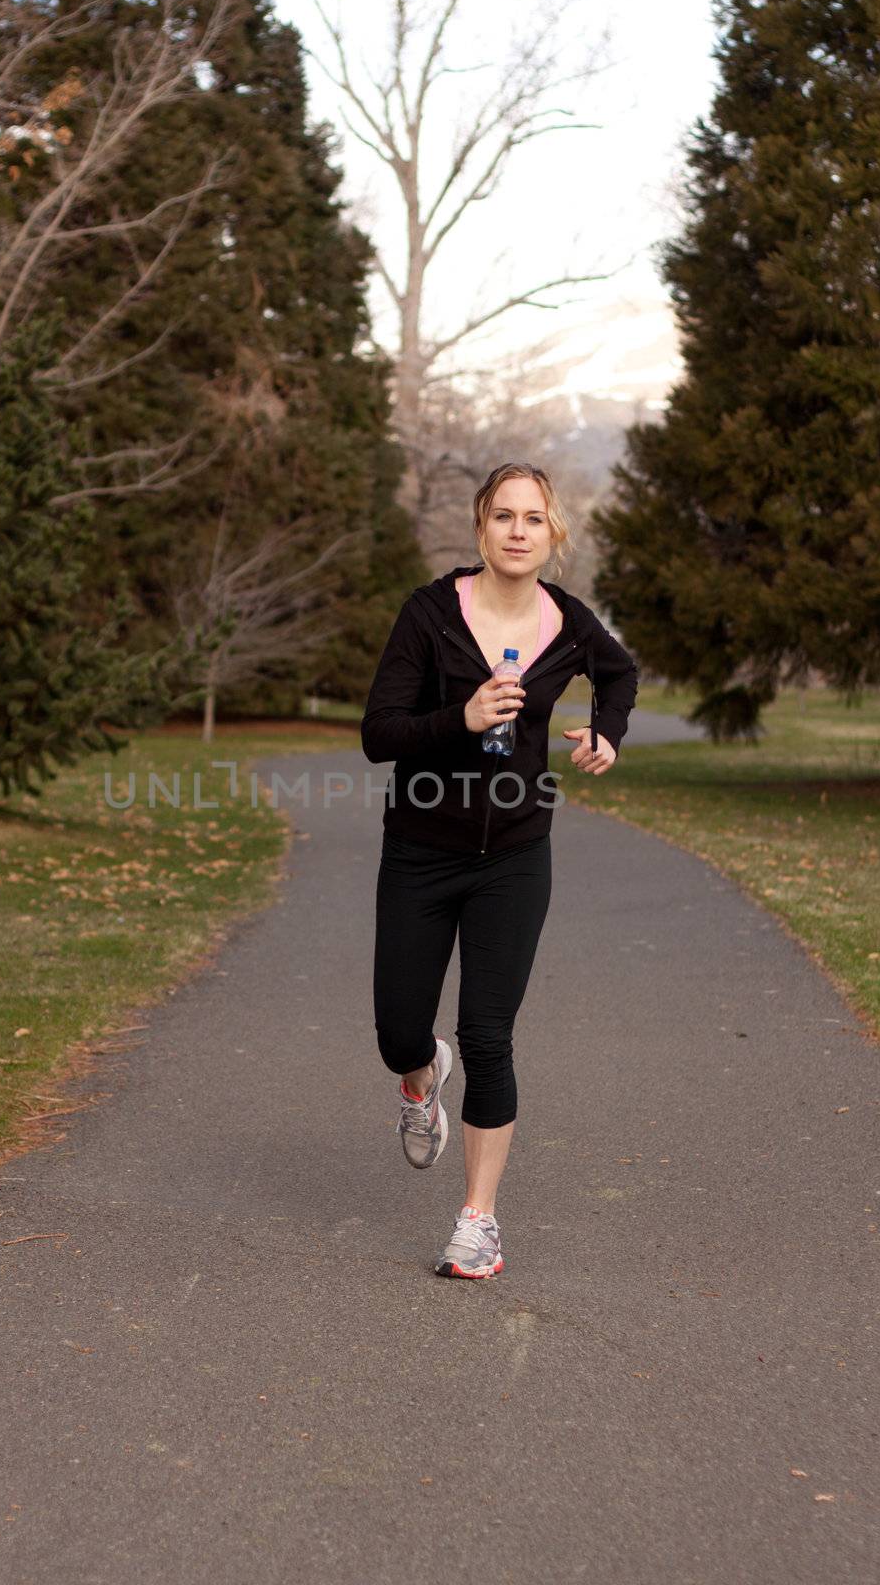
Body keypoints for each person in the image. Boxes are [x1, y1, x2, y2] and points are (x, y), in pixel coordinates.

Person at [361, 461, 639, 1279]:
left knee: (488, 1036)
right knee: (395, 1031)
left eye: (533, 518)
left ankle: (476, 1222)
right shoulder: (429, 615)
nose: (518, 531)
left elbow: (618, 674)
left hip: (514, 856)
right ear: (480, 528)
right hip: (419, 850)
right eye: (502, 516)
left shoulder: (569, 624)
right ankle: (419, 1078)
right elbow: (379, 732)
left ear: (554, 534)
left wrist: (606, 732)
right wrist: (463, 716)